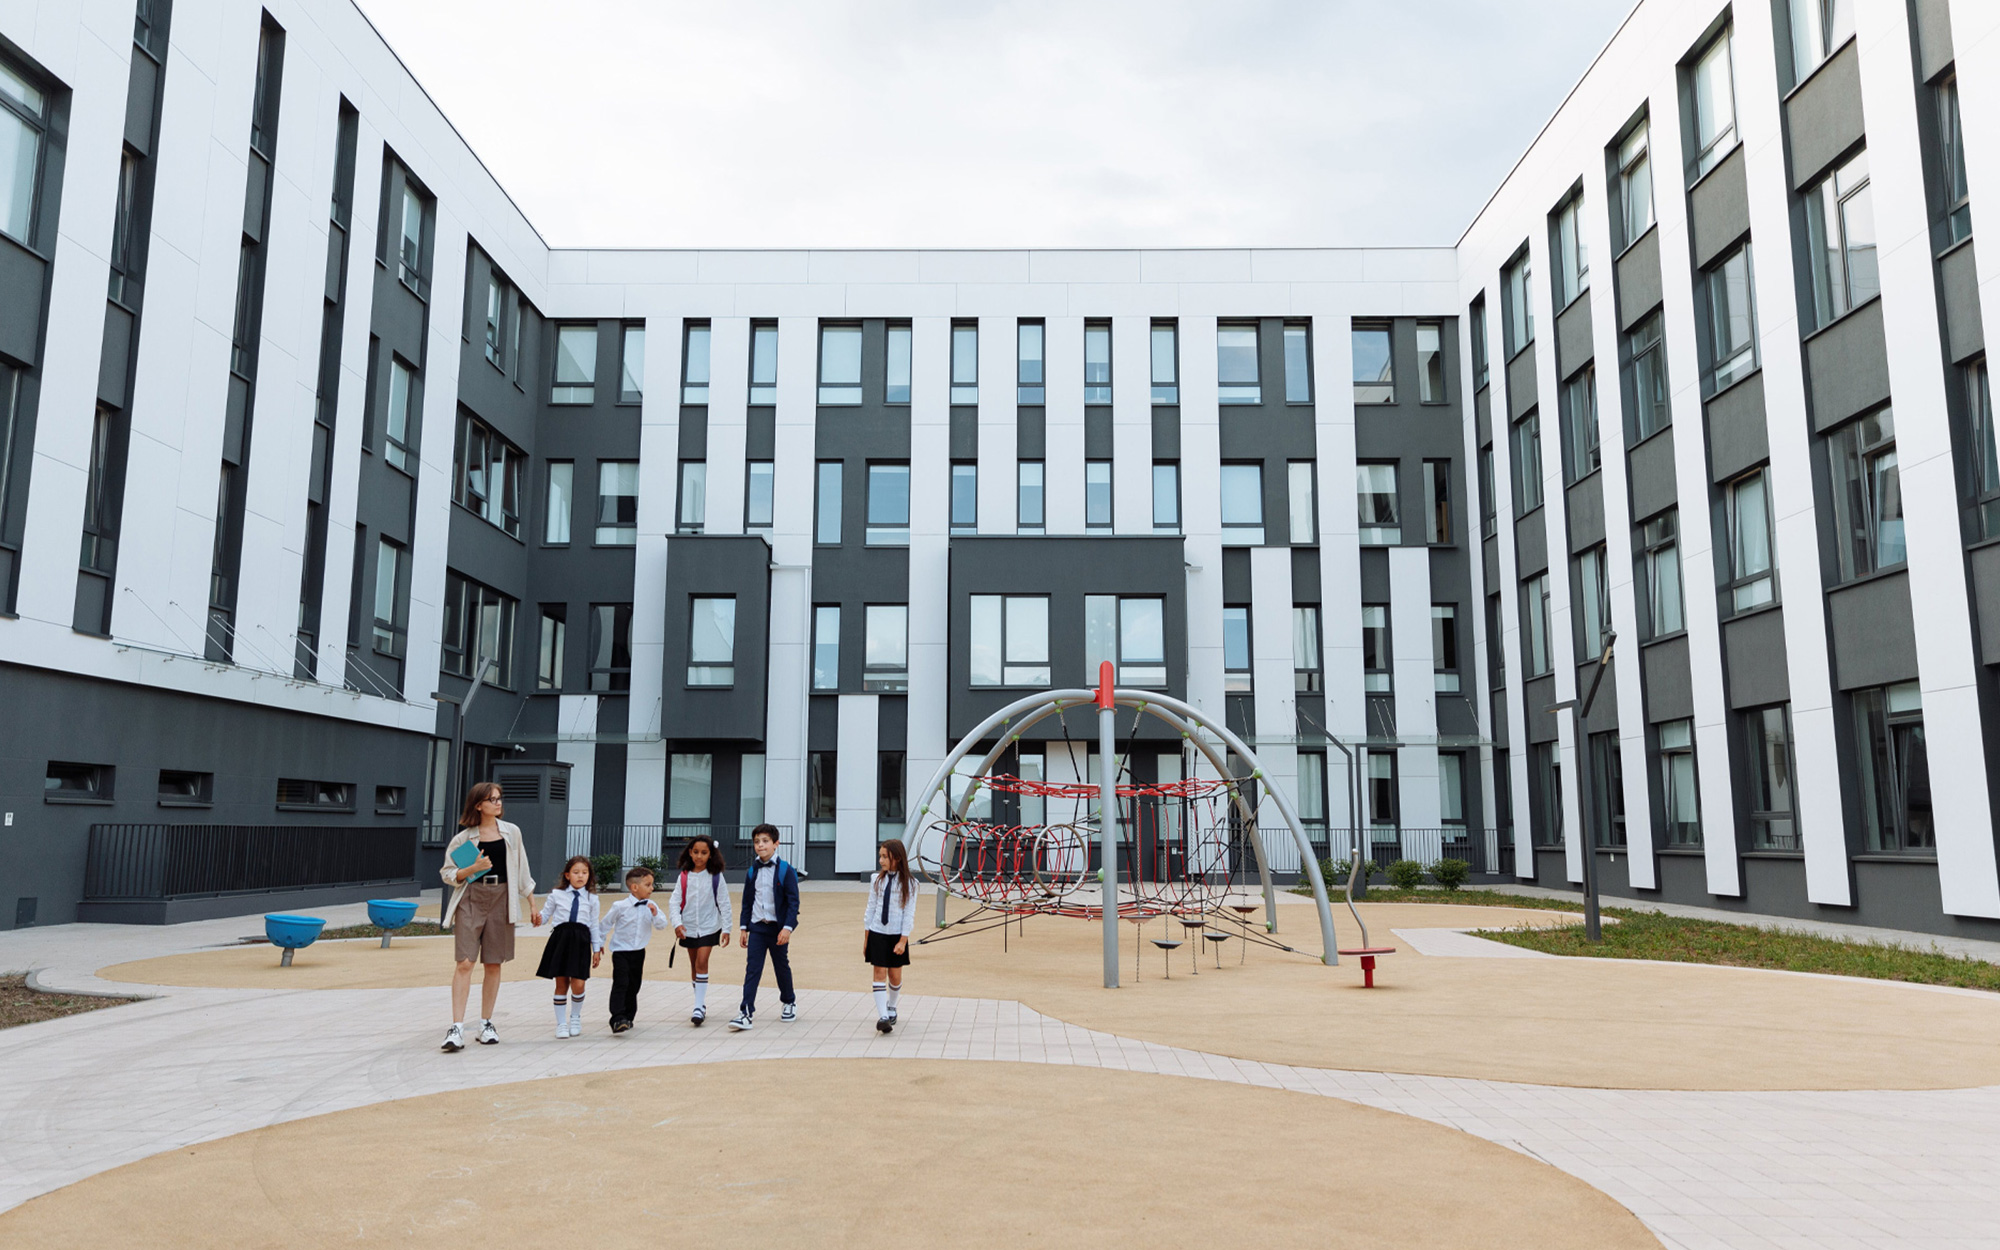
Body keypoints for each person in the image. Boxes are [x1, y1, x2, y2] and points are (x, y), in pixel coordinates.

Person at [438, 780, 540, 1052]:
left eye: (499, 798)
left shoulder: (512, 832)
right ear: (478, 805)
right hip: (471, 898)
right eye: (492, 799)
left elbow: (523, 869)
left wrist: (532, 904)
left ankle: (486, 1024)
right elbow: (448, 874)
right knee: (465, 962)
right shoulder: (463, 839)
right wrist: (473, 867)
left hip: (502, 897)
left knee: (494, 963)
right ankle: (456, 1028)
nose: (498, 803)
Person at [728, 824, 800, 1032]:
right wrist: (744, 928)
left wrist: (787, 928)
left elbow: (793, 902)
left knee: (781, 966)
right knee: (753, 969)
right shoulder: (752, 871)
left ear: (776, 844)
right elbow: (747, 901)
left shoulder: (786, 870)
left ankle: (789, 1001)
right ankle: (746, 1012)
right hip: (758, 927)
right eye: (757, 842)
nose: (761, 845)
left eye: (765, 841)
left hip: (778, 929)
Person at [666, 833, 732, 1026]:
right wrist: (677, 923)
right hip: (688, 927)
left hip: (710, 926)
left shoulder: (716, 877)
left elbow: (724, 903)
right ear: (690, 852)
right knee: (694, 965)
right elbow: (674, 902)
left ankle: (697, 1007)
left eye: (704, 852)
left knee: (702, 962)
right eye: (695, 852)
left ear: (711, 854)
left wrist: (727, 928)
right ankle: (700, 1003)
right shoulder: (684, 876)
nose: (699, 856)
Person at [535, 856, 603, 1038]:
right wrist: (537, 917)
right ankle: (561, 1024)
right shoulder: (556, 895)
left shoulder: (592, 899)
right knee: (561, 983)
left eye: (584, 872)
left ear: (589, 876)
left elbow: (594, 924)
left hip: (581, 941)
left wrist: (596, 948)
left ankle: (575, 1017)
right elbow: (545, 915)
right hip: (561, 940)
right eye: (576, 872)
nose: (580, 876)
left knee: (579, 984)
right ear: (567, 875)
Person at [600, 866, 669, 1033]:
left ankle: (628, 1017)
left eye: (652, 884)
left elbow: (662, 925)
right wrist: (599, 943)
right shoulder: (620, 906)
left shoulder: (651, 905)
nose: (652, 888)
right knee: (621, 983)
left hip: (638, 952)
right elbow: (605, 924)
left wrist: (655, 914)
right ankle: (617, 1017)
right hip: (621, 952)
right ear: (634, 887)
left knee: (634, 985)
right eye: (648, 885)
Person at [865, 838, 917, 1034]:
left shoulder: (911, 884)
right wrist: (866, 938)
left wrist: (903, 940)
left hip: (897, 935)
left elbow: (909, 913)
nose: (881, 860)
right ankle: (883, 1017)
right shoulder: (876, 880)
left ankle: (892, 1006)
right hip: (877, 932)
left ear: (897, 858)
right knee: (879, 972)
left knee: (894, 976)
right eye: (880, 856)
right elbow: (871, 908)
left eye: (885, 857)